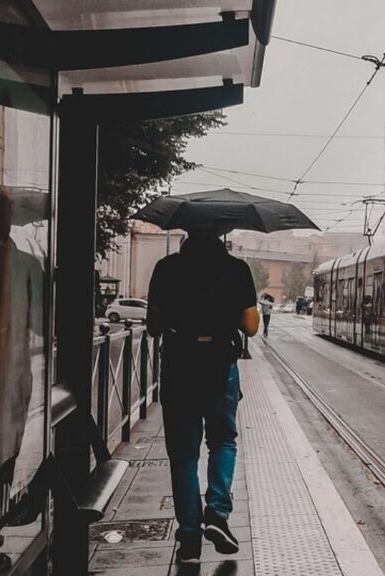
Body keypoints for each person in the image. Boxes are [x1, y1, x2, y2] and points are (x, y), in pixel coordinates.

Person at [147, 233, 259, 564]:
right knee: (223, 442)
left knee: (183, 455)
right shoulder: (236, 269)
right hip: (220, 366)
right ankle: (218, 514)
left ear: (186, 237)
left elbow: (153, 325)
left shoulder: (166, 268)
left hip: (179, 367)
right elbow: (251, 326)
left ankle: (190, 540)